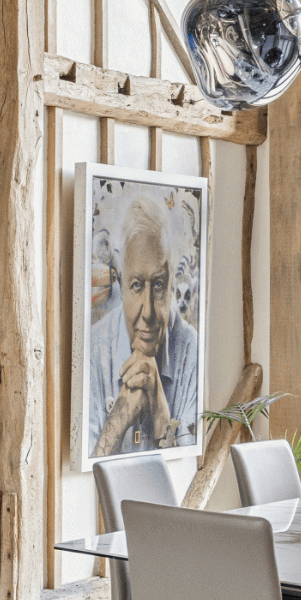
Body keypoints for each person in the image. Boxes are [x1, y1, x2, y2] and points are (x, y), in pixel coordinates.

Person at [90, 189, 202, 461]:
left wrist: (161, 410)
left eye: (159, 285)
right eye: (137, 285)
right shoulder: (94, 350)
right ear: (121, 284)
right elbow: (81, 478)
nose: (149, 312)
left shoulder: (190, 349)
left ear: (173, 284)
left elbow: (189, 472)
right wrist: (122, 413)